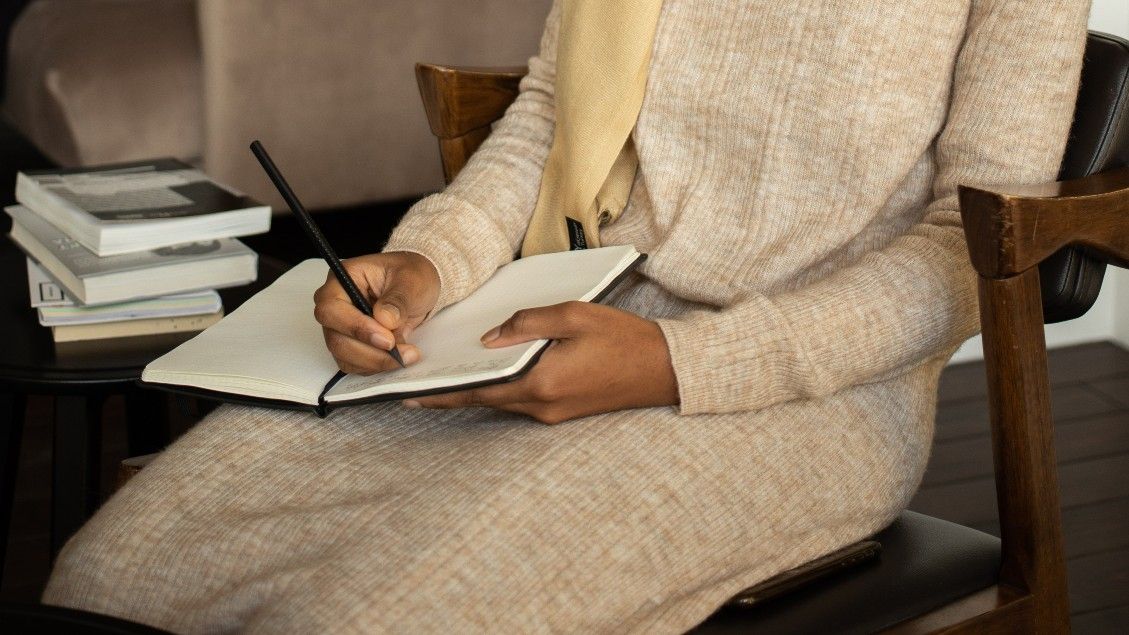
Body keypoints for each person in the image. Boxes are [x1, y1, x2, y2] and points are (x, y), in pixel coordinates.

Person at [43, 0, 1090, 632]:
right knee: (117, 570)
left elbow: (969, 247)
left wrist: (677, 362)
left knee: (360, 618)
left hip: (802, 392)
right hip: (546, 310)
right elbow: (547, 114)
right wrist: (427, 261)